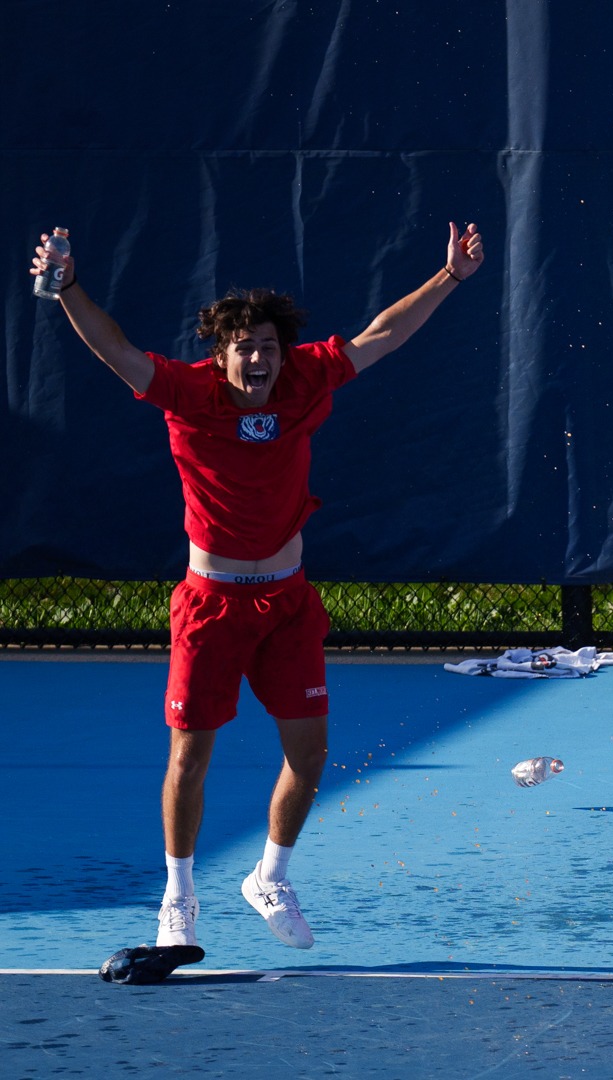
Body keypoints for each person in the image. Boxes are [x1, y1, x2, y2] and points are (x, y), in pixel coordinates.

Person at [31, 223, 486, 951]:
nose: (259, 359)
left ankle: (269, 876)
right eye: (245, 348)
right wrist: (66, 287)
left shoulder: (307, 377)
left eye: (269, 347)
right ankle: (178, 896)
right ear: (223, 355)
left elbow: (382, 334)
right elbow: (114, 348)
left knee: (310, 758)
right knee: (190, 757)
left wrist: (452, 277)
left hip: (288, 602)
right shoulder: (188, 393)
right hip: (211, 604)